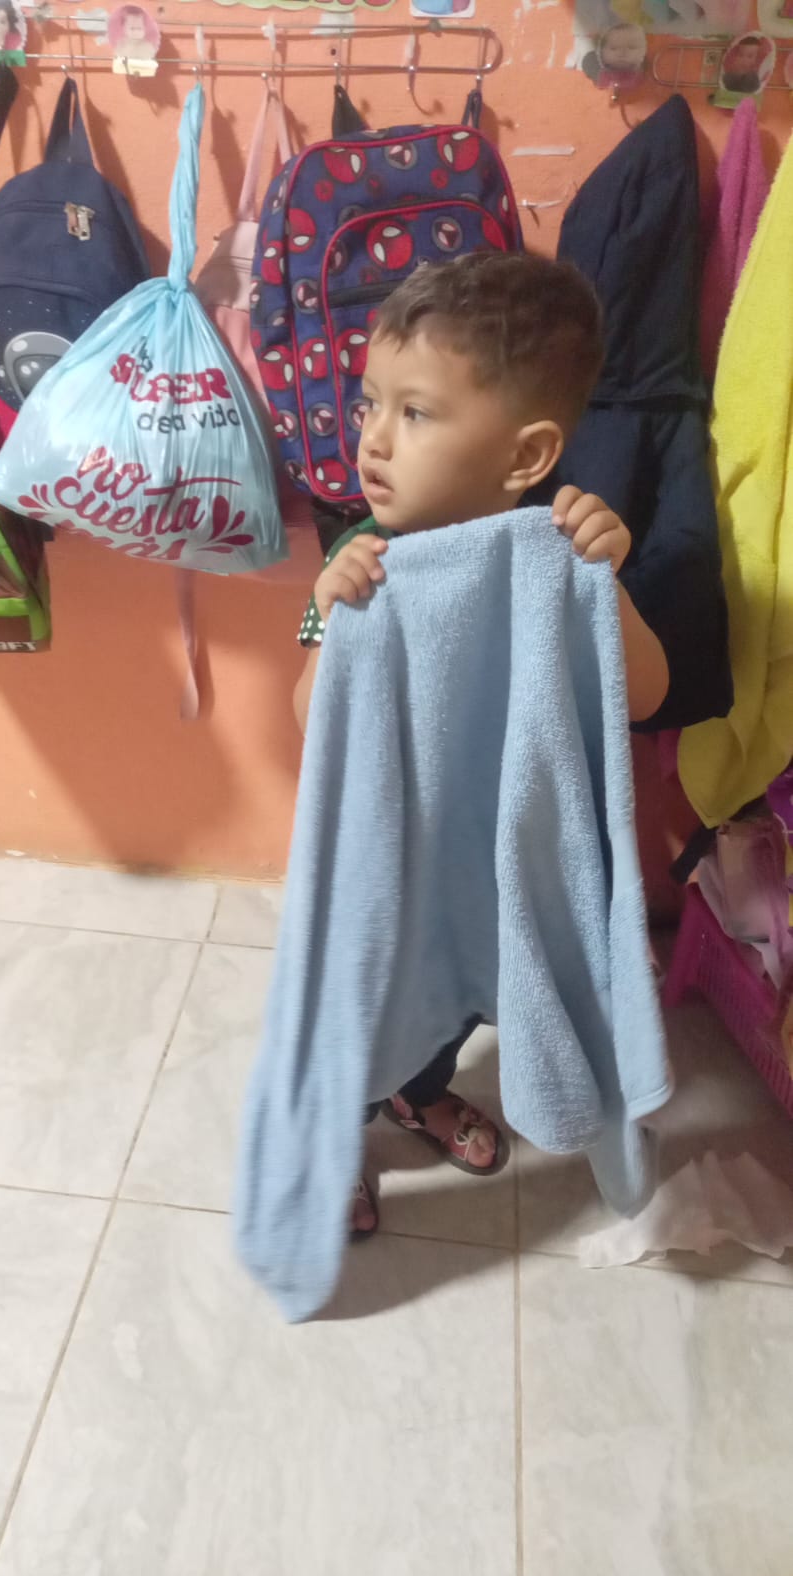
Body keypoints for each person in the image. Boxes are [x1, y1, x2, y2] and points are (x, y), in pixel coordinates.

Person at [292, 251, 669, 1238]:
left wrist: (606, 583)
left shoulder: (558, 556)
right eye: (370, 404)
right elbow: (309, 723)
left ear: (525, 456)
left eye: (414, 414)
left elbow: (648, 692)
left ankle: (418, 1093)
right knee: (361, 1009)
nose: (373, 439)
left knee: (450, 1002)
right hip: (381, 867)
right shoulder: (360, 562)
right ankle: (338, 1144)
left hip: (484, 870)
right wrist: (335, 622)